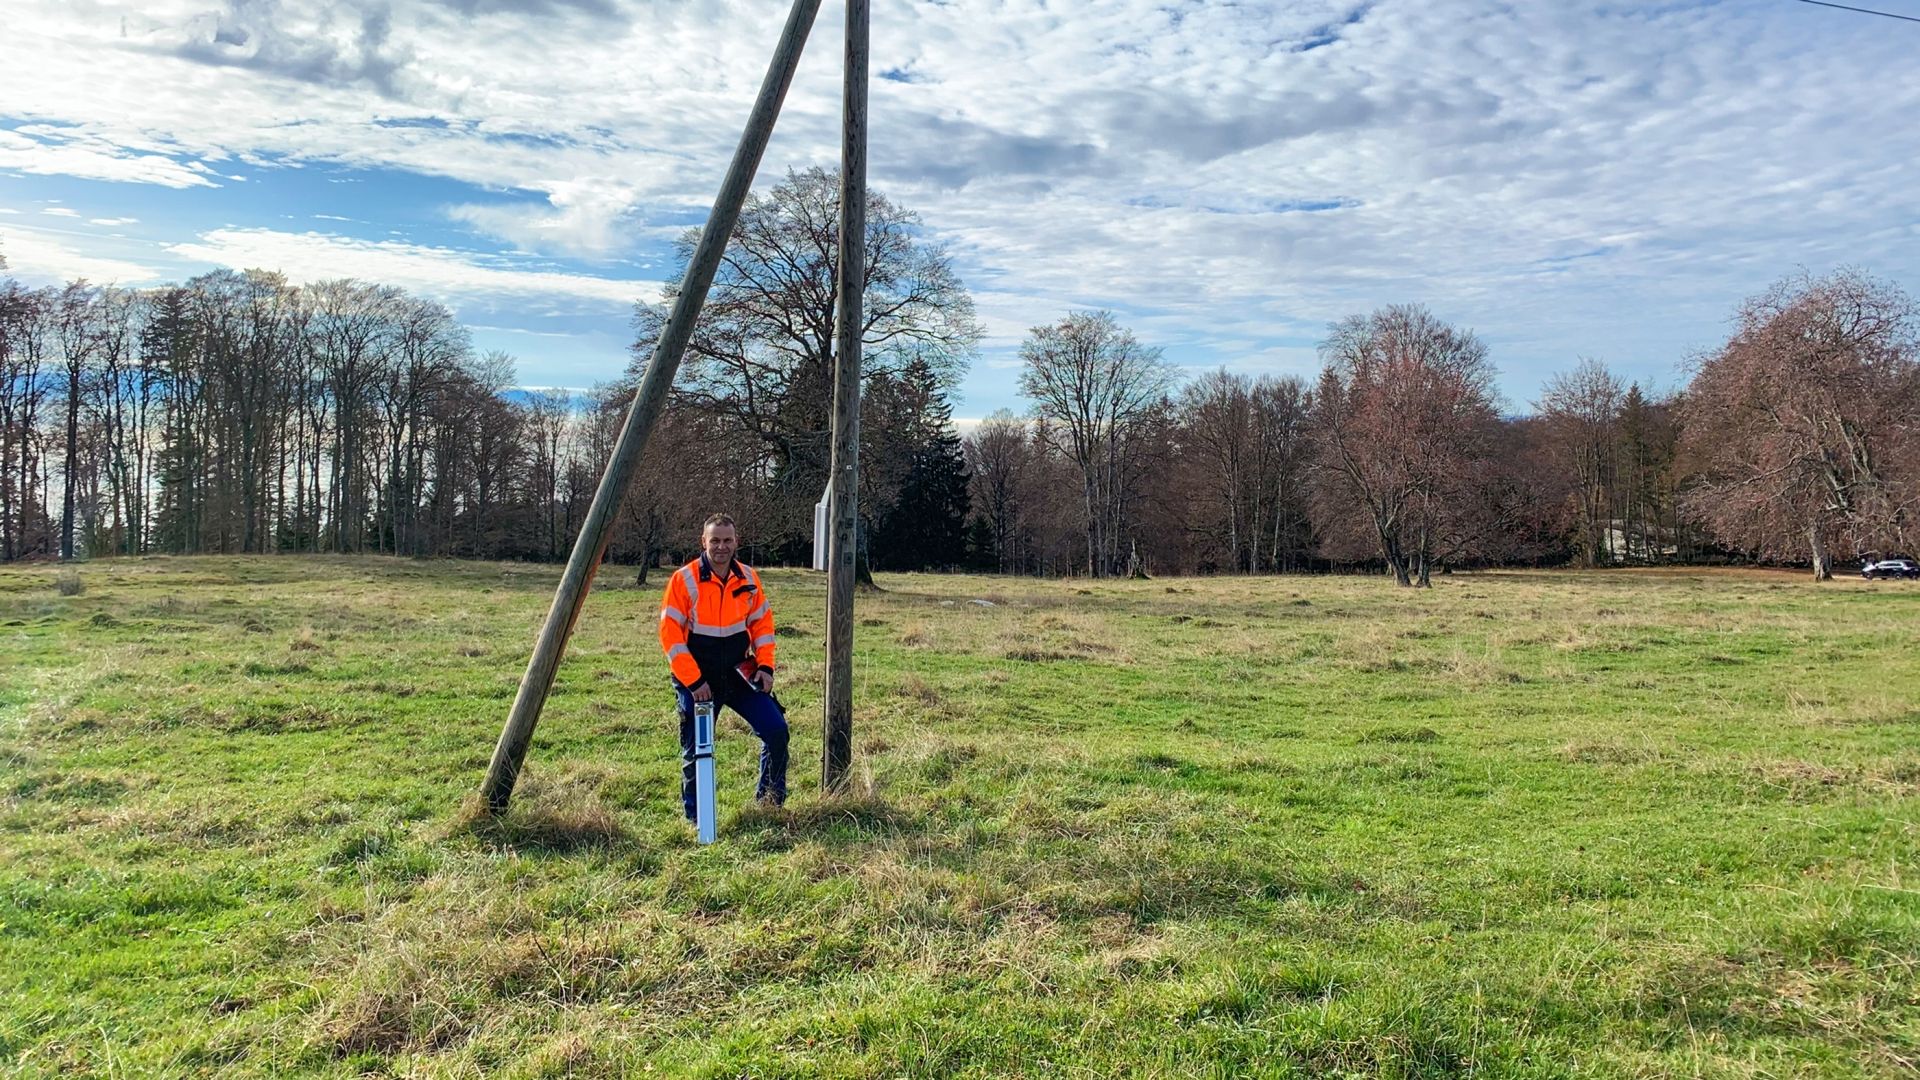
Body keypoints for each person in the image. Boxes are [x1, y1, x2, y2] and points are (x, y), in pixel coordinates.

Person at [658, 513, 786, 821]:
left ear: (736, 542)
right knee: (697, 751)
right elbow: (670, 634)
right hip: (698, 682)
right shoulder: (683, 580)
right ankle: (697, 820)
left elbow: (762, 626)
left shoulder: (750, 579)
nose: (721, 547)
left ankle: (770, 805)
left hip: (739, 674)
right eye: (715, 540)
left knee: (777, 731)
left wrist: (765, 667)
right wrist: (693, 681)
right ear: (703, 542)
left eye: (727, 540)